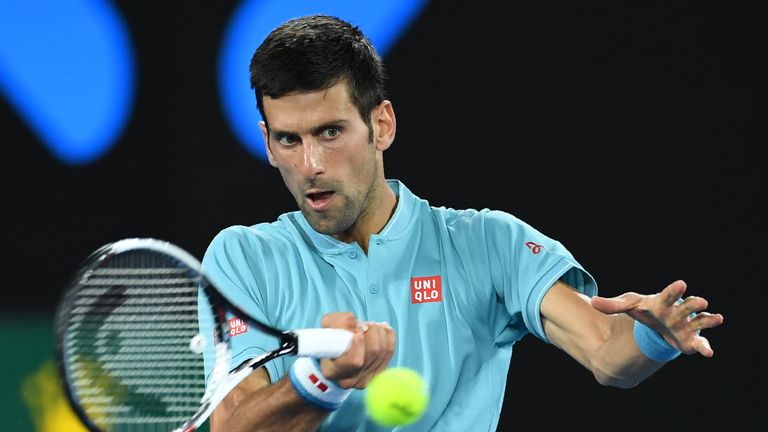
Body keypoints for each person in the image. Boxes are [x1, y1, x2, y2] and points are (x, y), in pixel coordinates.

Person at [199, 14, 724, 432]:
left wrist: (654, 336)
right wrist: (321, 381)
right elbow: (231, 426)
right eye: (289, 139)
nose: (310, 164)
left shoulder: (489, 244)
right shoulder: (243, 258)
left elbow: (607, 351)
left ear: (381, 125)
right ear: (268, 142)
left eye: (331, 132)